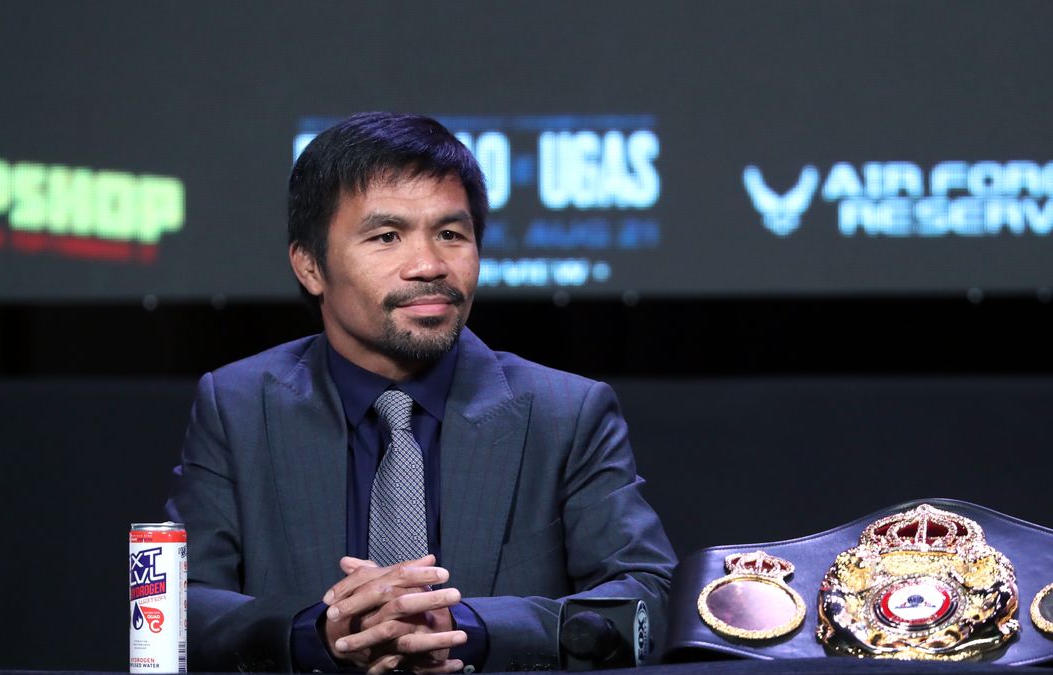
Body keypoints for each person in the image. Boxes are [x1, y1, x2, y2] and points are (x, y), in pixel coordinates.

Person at [165, 112, 676, 674]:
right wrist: (318, 631)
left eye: (451, 234)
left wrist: (470, 630)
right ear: (310, 266)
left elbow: (646, 602)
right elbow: (177, 609)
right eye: (387, 236)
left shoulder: (567, 413)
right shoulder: (237, 406)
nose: (430, 266)